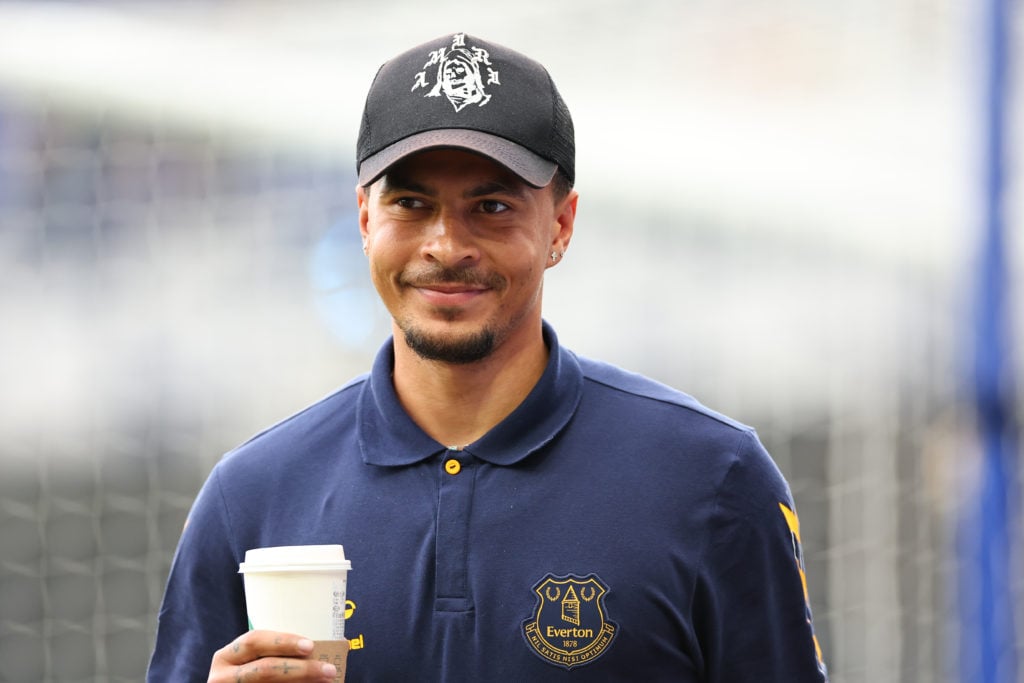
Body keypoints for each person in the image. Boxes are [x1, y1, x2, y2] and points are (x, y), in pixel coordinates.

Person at [147, 32, 828, 682]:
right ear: (364, 220)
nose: (446, 244)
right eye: (412, 204)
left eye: (492, 206)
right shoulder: (251, 499)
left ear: (560, 225)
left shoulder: (712, 479)